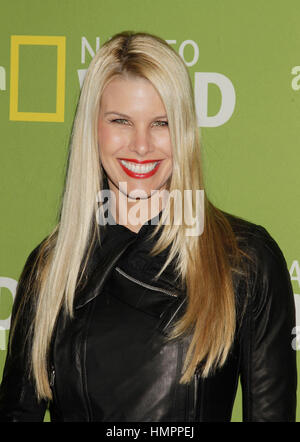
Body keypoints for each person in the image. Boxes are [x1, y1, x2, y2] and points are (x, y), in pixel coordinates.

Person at [0, 30, 297, 422]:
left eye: (161, 123)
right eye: (121, 120)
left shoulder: (243, 259)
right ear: (93, 128)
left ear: (185, 132)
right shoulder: (51, 267)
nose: (141, 146)